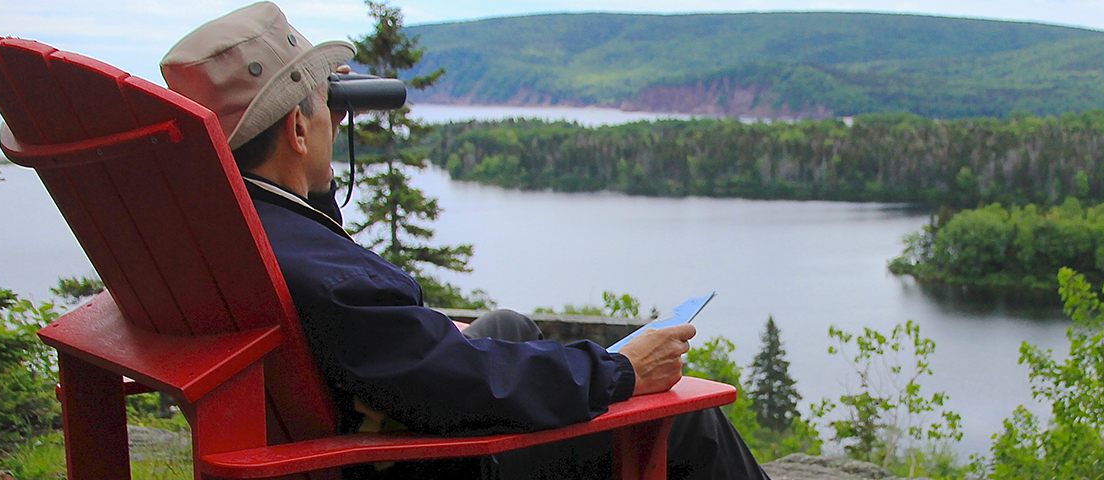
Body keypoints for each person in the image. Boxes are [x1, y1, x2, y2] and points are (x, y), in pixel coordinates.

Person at [158, 3, 769, 478]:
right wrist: (618, 373)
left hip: (383, 416)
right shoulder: (332, 283)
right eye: (320, 108)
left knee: (505, 325)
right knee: (692, 423)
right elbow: (455, 384)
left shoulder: (235, 235)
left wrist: (306, 144)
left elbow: (313, 241)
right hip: (437, 462)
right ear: (295, 127)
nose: (331, 118)